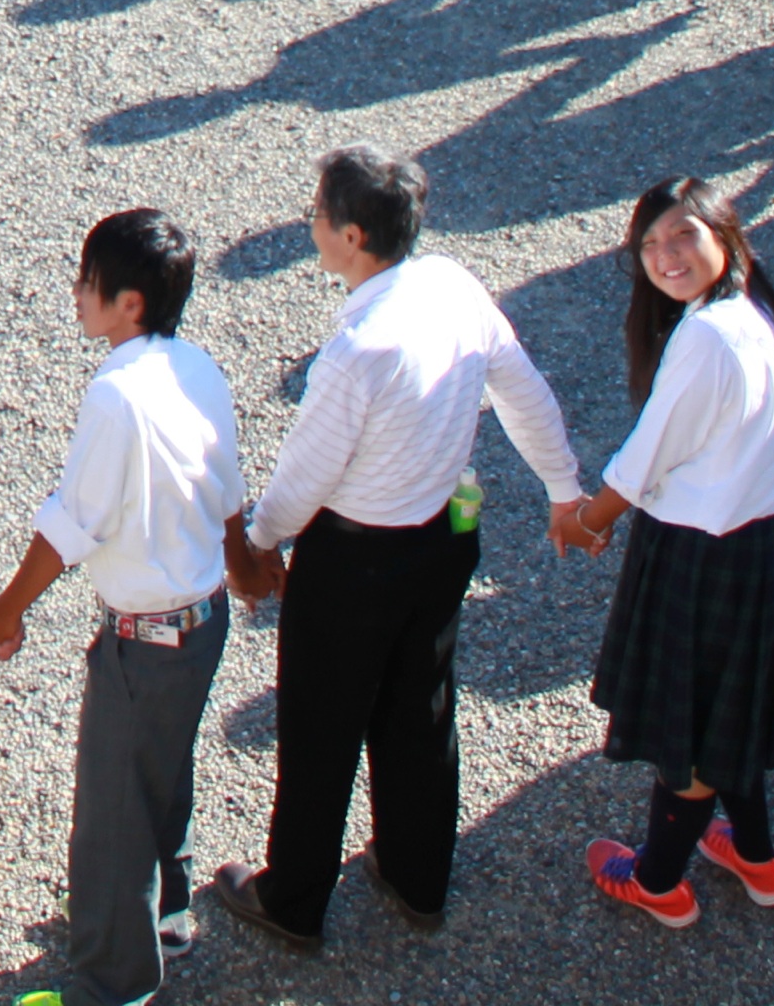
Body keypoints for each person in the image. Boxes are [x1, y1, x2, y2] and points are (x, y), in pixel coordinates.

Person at [217, 147, 586, 949]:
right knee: (422, 706)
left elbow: (305, 476)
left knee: (322, 726)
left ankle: (295, 898)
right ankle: (418, 875)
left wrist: (257, 543)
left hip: (354, 560)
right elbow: (520, 388)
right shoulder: (452, 284)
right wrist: (564, 489)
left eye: (316, 215)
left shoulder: (359, 351)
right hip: (444, 537)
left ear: (352, 236)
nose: (309, 226)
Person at [0, 210, 249, 1006]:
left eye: (90, 281)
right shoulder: (198, 367)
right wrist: (257, 567)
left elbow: (70, 528)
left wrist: (2, 612)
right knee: (165, 764)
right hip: (204, 615)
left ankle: (113, 981)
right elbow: (229, 497)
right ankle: (167, 913)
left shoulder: (115, 395)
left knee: (113, 806)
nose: (77, 293)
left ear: (131, 304)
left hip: (145, 639)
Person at [557, 179, 774, 929]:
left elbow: (643, 460)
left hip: (692, 558)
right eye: (650, 245)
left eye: (682, 235)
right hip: (753, 555)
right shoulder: (759, 318)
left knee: (687, 730)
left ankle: (658, 881)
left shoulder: (704, 337)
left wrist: (586, 523)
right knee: (731, 711)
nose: (666, 256)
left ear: (727, 233)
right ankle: (756, 855)